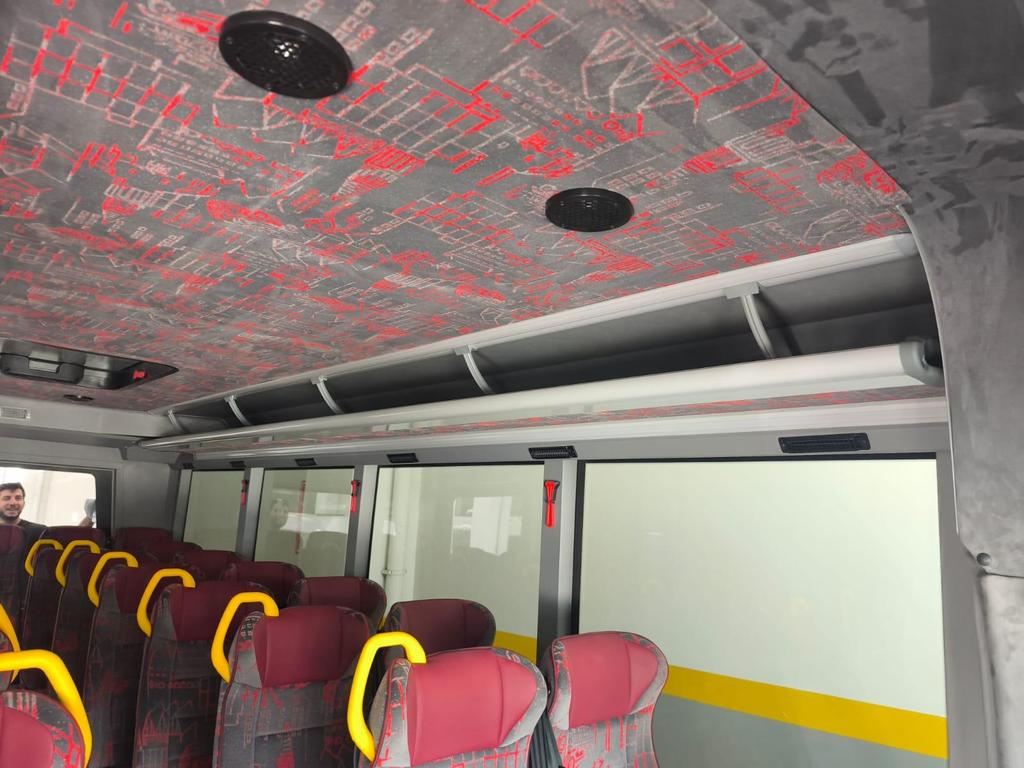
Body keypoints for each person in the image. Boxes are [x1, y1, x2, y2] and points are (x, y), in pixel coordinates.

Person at [0, 482, 45, 548]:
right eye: (6, 498)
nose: (13, 503)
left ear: (23, 503)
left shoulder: (40, 532)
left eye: (18, 498)